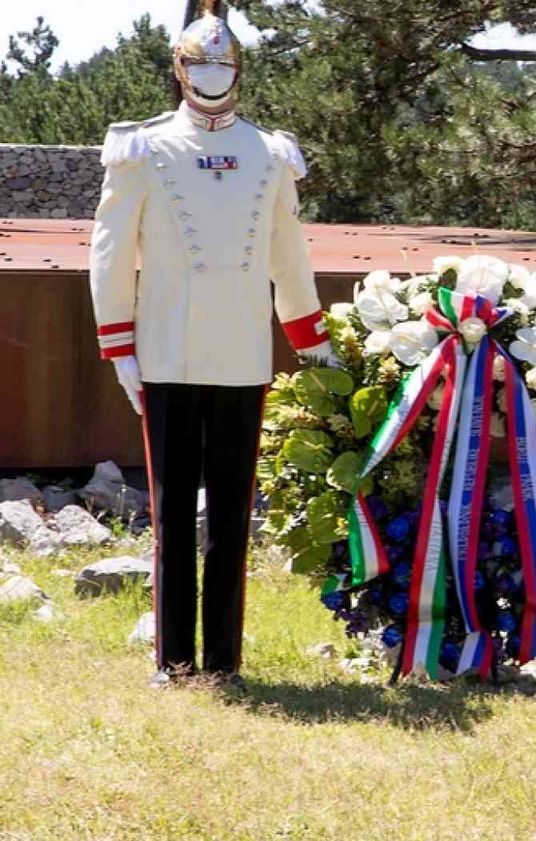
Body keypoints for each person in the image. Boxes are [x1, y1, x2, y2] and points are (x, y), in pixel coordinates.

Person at [90, 0, 333, 690]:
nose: (213, 77)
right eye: (202, 66)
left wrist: (309, 338)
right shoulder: (142, 148)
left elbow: (289, 256)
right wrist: (118, 343)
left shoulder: (271, 153)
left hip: (242, 354)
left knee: (231, 514)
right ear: (180, 70)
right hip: (165, 350)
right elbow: (109, 253)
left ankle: (223, 661)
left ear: (240, 72)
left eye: (224, 66)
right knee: (172, 513)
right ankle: (174, 661)